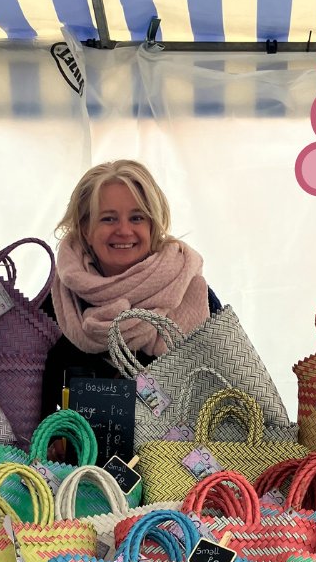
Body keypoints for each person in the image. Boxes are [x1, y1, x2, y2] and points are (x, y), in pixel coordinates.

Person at [41, 160, 220, 414]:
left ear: (152, 225)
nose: (124, 230)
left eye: (136, 218)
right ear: (85, 228)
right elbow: (36, 404)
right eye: (108, 219)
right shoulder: (59, 301)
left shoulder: (192, 293)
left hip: (177, 452)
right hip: (81, 452)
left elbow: (222, 385)